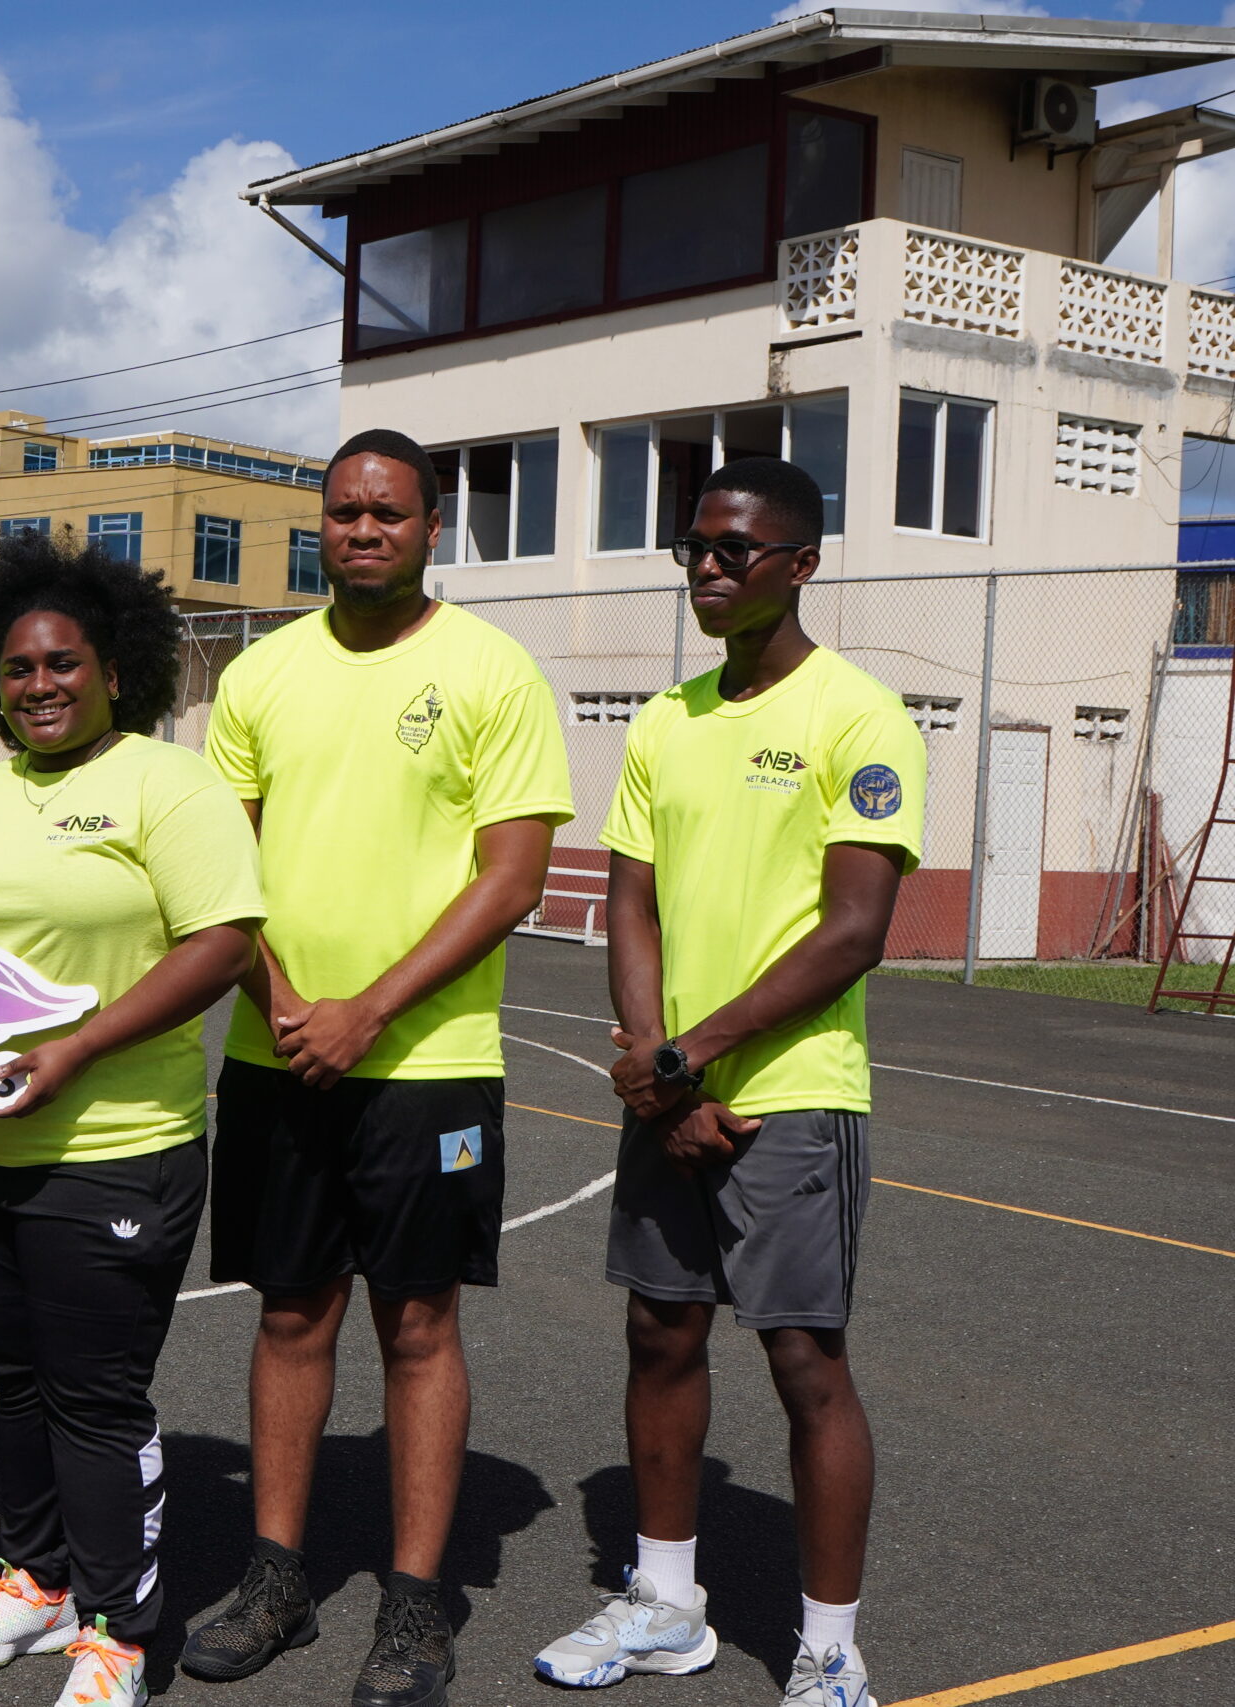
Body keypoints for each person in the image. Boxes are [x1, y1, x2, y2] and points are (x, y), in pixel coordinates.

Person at [187, 428, 573, 1707]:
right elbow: (216, 872)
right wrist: (293, 1002)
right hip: (275, 1050)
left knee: (417, 1319)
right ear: (322, 525)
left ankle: (416, 1609)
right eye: (344, 512)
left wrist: (369, 1009)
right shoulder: (260, 674)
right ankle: (279, 1578)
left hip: (431, 1065)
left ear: (429, 526)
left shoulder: (492, 670)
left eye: (388, 514)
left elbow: (511, 875)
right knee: (291, 1311)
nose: (363, 531)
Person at [530, 458, 922, 1707]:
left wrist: (688, 1058)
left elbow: (852, 930)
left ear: (800, 564)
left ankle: (827, 1649)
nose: (706, 567)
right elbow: (628, 909)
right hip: (674, 1089)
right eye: (693, 546)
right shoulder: (665, 719)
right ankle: (665, 1602)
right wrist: (659, 1070)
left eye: (734, 549)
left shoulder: (860, 718)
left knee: (806, 1361)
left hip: (793, 1093)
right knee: (659, 1334)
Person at [0, 530, 264, 1707]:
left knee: (95, 1399)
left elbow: (222, 942)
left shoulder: (168, 784)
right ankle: (36, 1577)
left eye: (62, 664)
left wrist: (76, 1050)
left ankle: (116, 1626)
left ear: (114, 668)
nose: (40, 686)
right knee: (17, 1384)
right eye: (17, 669)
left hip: (115, 1153)